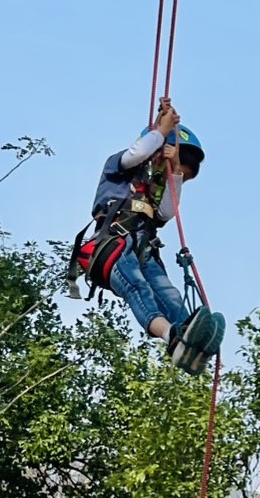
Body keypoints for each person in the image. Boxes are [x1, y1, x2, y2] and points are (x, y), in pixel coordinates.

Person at [68, 99, 225, 375]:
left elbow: (167, 211)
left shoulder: (155, 190)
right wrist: (161, 132)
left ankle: (193, 343)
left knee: (170, 296)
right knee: (138, 288)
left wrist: (175, 168)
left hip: (144, 249)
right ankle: (173, 339)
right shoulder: (117, 168)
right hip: (113, 245)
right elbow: (136, 153)